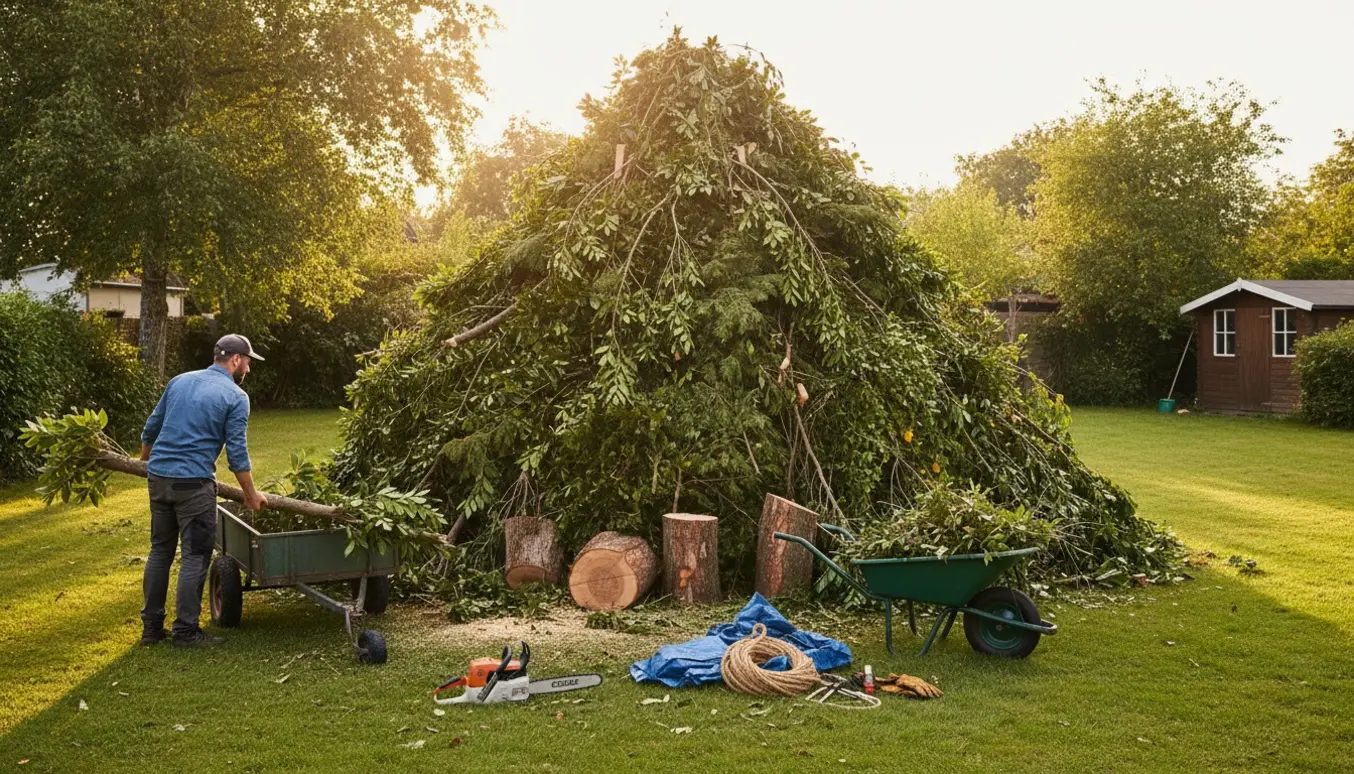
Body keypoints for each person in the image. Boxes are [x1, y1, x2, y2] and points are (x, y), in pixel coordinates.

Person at [138, 334, 269, 648]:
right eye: (248, 362)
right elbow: (237, 454)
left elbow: (151, 427)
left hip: (158, 479)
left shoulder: (180, 381)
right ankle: (186, 632)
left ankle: (152, 630)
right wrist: (251, 494)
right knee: (195, 556)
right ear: (235, 360)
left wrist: (146, 460)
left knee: (160, 552)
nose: (248, 369)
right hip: (194, 485)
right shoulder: (236, 397)